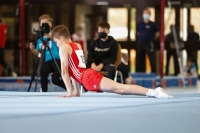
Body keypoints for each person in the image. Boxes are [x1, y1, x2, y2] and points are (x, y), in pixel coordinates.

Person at [51, 24, 173, 99]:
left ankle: (154, 92)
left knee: (121, 89)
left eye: (56, 42)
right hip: (87, 76)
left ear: (62, 38)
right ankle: (153, 92)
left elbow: (65, 72)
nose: (57, 45)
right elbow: (74, 70)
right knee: (120, 89)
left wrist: (69, 92)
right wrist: (76, 92)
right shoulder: (76, 45)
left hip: (88, 78)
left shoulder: (64, 47)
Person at [29, 14, 66, 92]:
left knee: (55, 79)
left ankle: (69, 87)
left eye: (46, 23)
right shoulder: (40, 38)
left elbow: (63, 46)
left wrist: (50, 37)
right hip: (46, 62)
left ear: (50, 24)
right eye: (43, 24)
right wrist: (32, 50)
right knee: (43, 72)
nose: (44, 26)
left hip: (57, 61)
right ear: (40, 25)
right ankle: (44, 92)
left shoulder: (56, 34)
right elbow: (39, 54)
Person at [136, 8, 159, 73]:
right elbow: (138, 33)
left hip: (149, 43)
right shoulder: (140, 24)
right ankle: (140, 72)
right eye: (144, 13)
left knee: (152, 59)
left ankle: (153, 72)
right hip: (141, 43)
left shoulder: (153, 24)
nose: (145, 14)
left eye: (147, 13)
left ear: (149, 14)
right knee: (140, 59)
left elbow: (157, 34)